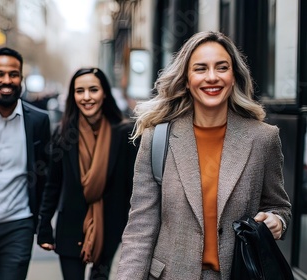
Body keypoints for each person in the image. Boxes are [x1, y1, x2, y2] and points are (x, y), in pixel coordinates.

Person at [116, 31, 291, 279]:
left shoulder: (263, 138)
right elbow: (140, 228)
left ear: (234, 77)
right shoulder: (157, 139)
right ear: (187, 79)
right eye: (200, 69)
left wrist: (277, 220)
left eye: (222, 68)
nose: (212, 77)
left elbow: (278, 205)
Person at [37, 67, 138, 279]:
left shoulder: (124, 133)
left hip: (110, 227)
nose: (86, 97)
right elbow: (52, 184)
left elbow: (133, 187)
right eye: (79, 91)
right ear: (73, 96)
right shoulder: (63, 133)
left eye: (93, 90)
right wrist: (44, 225)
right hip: (69, 227)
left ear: (104, 93)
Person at [0, 47, 51, 280]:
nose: (6, 80)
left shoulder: (39, 121)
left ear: (21, 78)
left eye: (13, 74)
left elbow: (45, 174)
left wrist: (42, 222)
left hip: (19, 226)